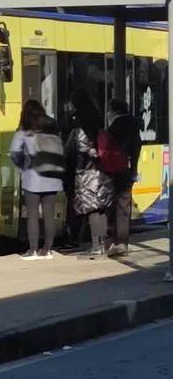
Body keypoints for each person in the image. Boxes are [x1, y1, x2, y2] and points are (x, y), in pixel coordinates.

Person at [10, 100, 64, 261]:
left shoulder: (24, 132)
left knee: (33, 214)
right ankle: (48, 250)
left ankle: (33, 250)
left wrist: (22, 164)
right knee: (49, 213)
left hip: (32, 176)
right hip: (52, 175)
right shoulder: (52, 129)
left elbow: (14, 151)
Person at [64, 89, 115, 260]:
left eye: (71, 102)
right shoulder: (98, 121)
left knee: (92, 210)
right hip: (102, 171)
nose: (68, 106)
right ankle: (100, 246)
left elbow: (80, 148)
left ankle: (96, 247)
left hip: (87, 172)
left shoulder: (80, 125)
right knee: (100, 209)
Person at [106, 98, 141, 257]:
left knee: (118, 206)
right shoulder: (133, 123)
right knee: (124, 206)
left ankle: (119, 242)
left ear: (113, 111)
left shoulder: (116, 126)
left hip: (117, 169)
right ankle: (122, 241)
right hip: (129, 168)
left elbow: (108, 145)